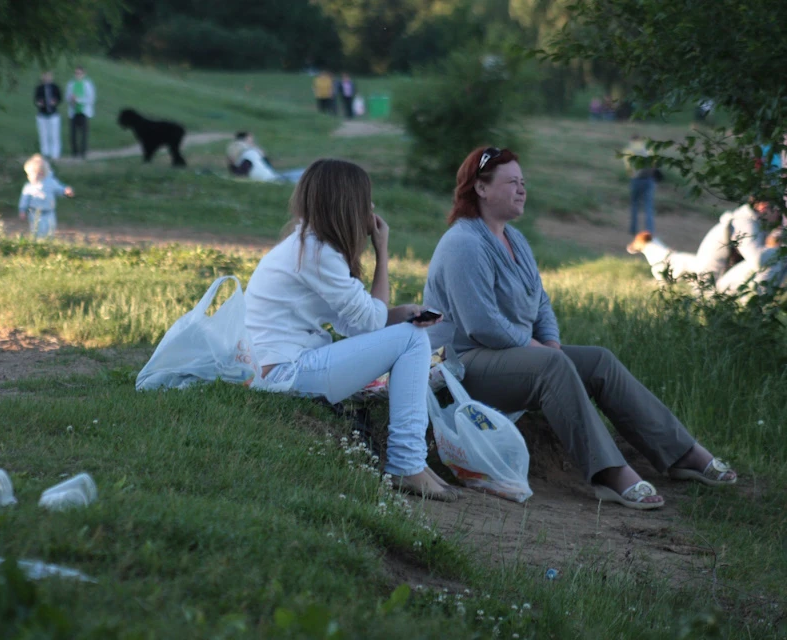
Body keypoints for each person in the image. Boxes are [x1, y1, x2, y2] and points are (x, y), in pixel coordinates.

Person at [422, 146, 738, 510]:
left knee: (598, 361)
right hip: (463, 366)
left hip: (512, 356)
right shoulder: (464, 243)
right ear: (480, 188)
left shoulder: (515, 240)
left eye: (523, 182)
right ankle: (608, 473)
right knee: (552, 365)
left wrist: (551, 341)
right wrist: (537, 349)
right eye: (512, 182)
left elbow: (540, 300)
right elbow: (481, 325)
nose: (522, 189)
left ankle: (682, 454)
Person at [245, 159, 458, 501]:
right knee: (414, 337)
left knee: (409, 333)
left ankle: (411, 462)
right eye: (366, 199)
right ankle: (407, 463)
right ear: (347, 203)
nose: (371, 208)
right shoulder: (317, 252)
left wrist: (398, 314)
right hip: (284, 374)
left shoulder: (310, 246)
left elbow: (356, 324)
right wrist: (382, 251)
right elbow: (369, 323)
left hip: (282, 368)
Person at [18, 154, 74, 240]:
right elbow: (24, 199)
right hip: (34, 213)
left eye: (30, 174)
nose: (28, 177)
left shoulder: (50, 183)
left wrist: (65, 191)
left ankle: (48, 245)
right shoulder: (29, 187)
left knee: (50, 231)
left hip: (49, 213)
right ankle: (37, 245)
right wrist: (22, 210)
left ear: (41, 173)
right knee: (36, 231)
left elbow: (59, 189)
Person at [226, 132, 304, 183]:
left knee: (302, 172)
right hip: (273, 179)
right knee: (303, 175)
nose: (252, 143)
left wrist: (263, 156)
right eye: (250, 140)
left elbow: (240, 173)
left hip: (274, 177)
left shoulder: (251, 154)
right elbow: (241, 174)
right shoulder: (248, 154)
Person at [624, 134, 658, 236]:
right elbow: (654, 164)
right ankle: (649, 230)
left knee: (634, 205)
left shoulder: (628, 150)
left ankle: (633, 229)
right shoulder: (648, 149)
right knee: (648, 206)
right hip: (649, 179)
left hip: (636, 180)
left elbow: (628, 169)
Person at [65, 66, 96, 159]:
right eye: (76, 73)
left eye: (79, 73)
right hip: (73, 111)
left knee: (83, 133)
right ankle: (75, 152)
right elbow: (67, 96)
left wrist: (78, 99)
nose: (77, 75)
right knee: (73, 133)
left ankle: (83, 152)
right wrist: (71, 99)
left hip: (84, 111)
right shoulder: (71, 84)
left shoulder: (87, 84)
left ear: (83, 74)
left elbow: (90, 98)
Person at [34, 71, 62, 160]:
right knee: (43, 134)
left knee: (54, 134)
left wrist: (55, 101)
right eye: (45, 76)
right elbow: (36, 99)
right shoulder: (39, 88)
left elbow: (59, 98)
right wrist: (39, 103)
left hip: (53, 114)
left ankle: (55, 154)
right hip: (42, 114)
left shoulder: (55, 87)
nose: (46, 78)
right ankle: (45, 153)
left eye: (48, 76)